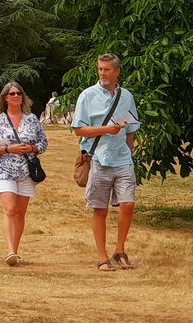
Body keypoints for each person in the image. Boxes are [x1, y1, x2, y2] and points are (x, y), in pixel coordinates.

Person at [72, 53, 141, 271]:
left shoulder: (127, 96)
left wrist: (129, 152)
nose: (102, 73)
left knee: (128, 204)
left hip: (123, 160)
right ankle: (102, 257)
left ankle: (120, 249)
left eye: (107, 69)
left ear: (117, 71)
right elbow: (78, 130)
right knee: (99, 209)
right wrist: (105, 130)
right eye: (100, 69)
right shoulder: (87, 96)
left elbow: (131, 129)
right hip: (98, 159)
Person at [0, 81, 48, 266]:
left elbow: (44, 142)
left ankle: (15, 250)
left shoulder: (32, 119)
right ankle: (10, 251)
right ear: (5, 98)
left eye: (18, 93)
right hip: (4, 170)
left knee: (20, 214)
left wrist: (32, 148)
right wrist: (9, 148)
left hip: (26, 171)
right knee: (10, 209)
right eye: (11, 94)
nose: (15, 96)